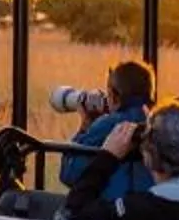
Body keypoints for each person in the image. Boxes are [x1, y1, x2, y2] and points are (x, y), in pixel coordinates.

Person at [56, 59, 158, 202]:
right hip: (151, 208)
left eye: (108, 95)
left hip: (113, 209)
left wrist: (85, 127)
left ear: (114, 97)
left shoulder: (108, 125)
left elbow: (69, 174)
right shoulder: (160, 123)